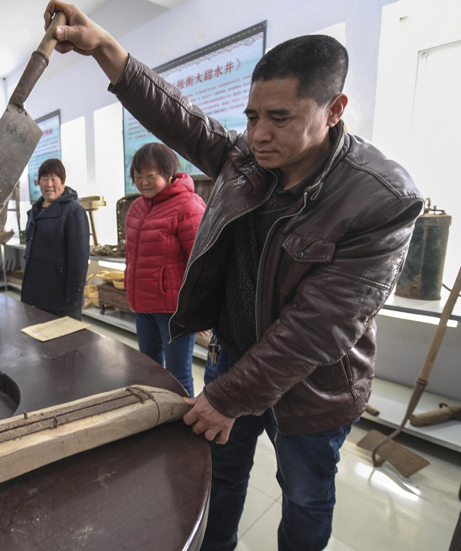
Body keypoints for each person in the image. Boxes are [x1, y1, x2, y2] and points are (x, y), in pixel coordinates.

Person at [43, 3, 423, 550]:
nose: (259, 134)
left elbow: (321, 326)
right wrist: (105, 47)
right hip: (232, 358)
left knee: (305, 496)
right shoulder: (246, 157)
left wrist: (226, 397)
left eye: (280, 118)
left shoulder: (381, 199)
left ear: (334, 108)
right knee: (219, 478)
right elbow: (179, 116)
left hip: (312, 388)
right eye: (251, 117)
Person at [125, 142, 205, 397]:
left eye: (151, 175)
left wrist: (201, 307)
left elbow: (202, 260)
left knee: (178, 374)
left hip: (174, 310)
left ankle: (184, 429)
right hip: (143, 306)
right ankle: (155, 417)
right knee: (148, 368)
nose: (143, 182)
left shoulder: (188, 206)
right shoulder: (136, 207)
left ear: (169, 174)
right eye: (138, 176)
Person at [21, 158, 90, 320]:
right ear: (39, 183)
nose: (49, 184)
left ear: (63, 182)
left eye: (54, 179)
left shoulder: (74, 211)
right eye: (44, 179)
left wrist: (74, 297)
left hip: (61, 297)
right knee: (37, 340)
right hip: (36, 294)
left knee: (66, 342)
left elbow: (79, 258)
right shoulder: (35, 211)